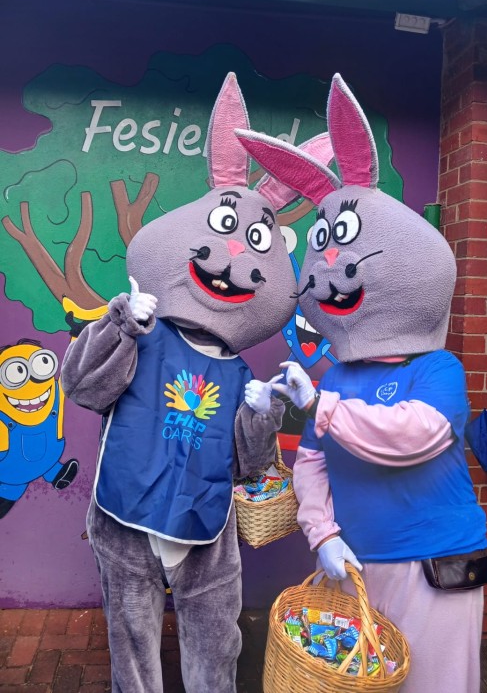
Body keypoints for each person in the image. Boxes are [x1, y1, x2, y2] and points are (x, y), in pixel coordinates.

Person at [235, 73, 487, 693]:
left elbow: (415, 436)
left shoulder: (437, 369)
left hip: (435, 564)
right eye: (320, 247)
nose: (327, 264)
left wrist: (322, 406)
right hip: (356, 564)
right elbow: (312, 465)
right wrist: (321, 533)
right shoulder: (341, 374)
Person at [61, 73, 313, 693]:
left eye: (255, 246)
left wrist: (262, 414)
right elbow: (82, 386)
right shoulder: (143, 333)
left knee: (215, 650)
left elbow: (249, 467)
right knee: (132, 647)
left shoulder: (238, 373)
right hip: (126, 518)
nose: (232, 262)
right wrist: (118, 325)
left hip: (206, 532)